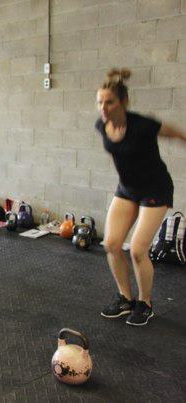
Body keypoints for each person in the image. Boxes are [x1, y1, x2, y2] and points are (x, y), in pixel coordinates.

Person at [97, 68, 186, 326]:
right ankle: (126, 298)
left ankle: (145, 303)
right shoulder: (101, 125)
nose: (103, 108)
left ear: (123, 102)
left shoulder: (142, 125)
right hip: (127, 189)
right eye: (100, 102)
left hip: (155, 189)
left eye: (109, 102)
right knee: (111, 244)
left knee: (137, 250)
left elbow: (176, 133)